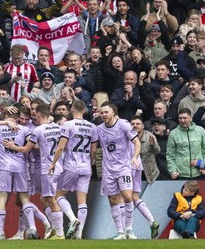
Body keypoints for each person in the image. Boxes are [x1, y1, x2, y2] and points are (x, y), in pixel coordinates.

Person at [5, 104, 65, 239]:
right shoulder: (59, 128)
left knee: (50, 199)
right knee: (48, 198)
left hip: (46, 168)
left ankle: (59, 233)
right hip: (59, 167)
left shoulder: (38, 130)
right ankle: (54, 230)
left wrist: (12, 146)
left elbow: (26, 149)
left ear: (38, 114)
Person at [49, 100, 97, 239]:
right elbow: (93, 150)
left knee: (59, 196)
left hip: (71, 165)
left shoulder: (68, 125)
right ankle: (79, 234)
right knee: (82, 200)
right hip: (86, 166)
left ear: (72, 109)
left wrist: (53, 163)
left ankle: (72, 219)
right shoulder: (92, 126)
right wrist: (90, 162)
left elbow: (60, 147)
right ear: (84, 110)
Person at [92, 101, 140, 239]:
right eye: (101, 113)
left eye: (106, 112)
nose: (103, 115)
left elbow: (136, 142)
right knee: (113, 198)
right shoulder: (99, 129)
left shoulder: (123, 125)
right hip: (108, 169)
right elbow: (93, 145)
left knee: (127, 196)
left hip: (124, 167)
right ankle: (120, 231)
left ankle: (129, 228)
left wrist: (135, 157)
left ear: (113, 112)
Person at [0, 110, 39, 240]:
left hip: (4, 167)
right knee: (24, 197)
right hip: (20, 166)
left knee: (2, 198)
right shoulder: (23, 129)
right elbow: (33, 144)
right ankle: (32, 229)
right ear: (17, 118)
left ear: (6, 117)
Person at [130, 116, 160, 239]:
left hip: (145, 172)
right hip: (135, 170)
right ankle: (152, 221)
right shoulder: (127, 134)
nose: (135, 126)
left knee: (127, 198)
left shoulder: (149, 136)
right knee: (133, 198)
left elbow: (157, 151)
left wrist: (152, 145)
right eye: (133, 123)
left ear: (143, 126)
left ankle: (127, 231)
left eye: (138, 124)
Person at [166, 108, 205, 180]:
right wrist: (172, 171)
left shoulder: (201, 130)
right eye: (180, 118)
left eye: (185, 118)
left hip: (199, 173)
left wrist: (204, 167)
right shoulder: (173, 134)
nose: (182, 121)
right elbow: (170, 155)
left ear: (190, 118)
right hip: (181, 174)